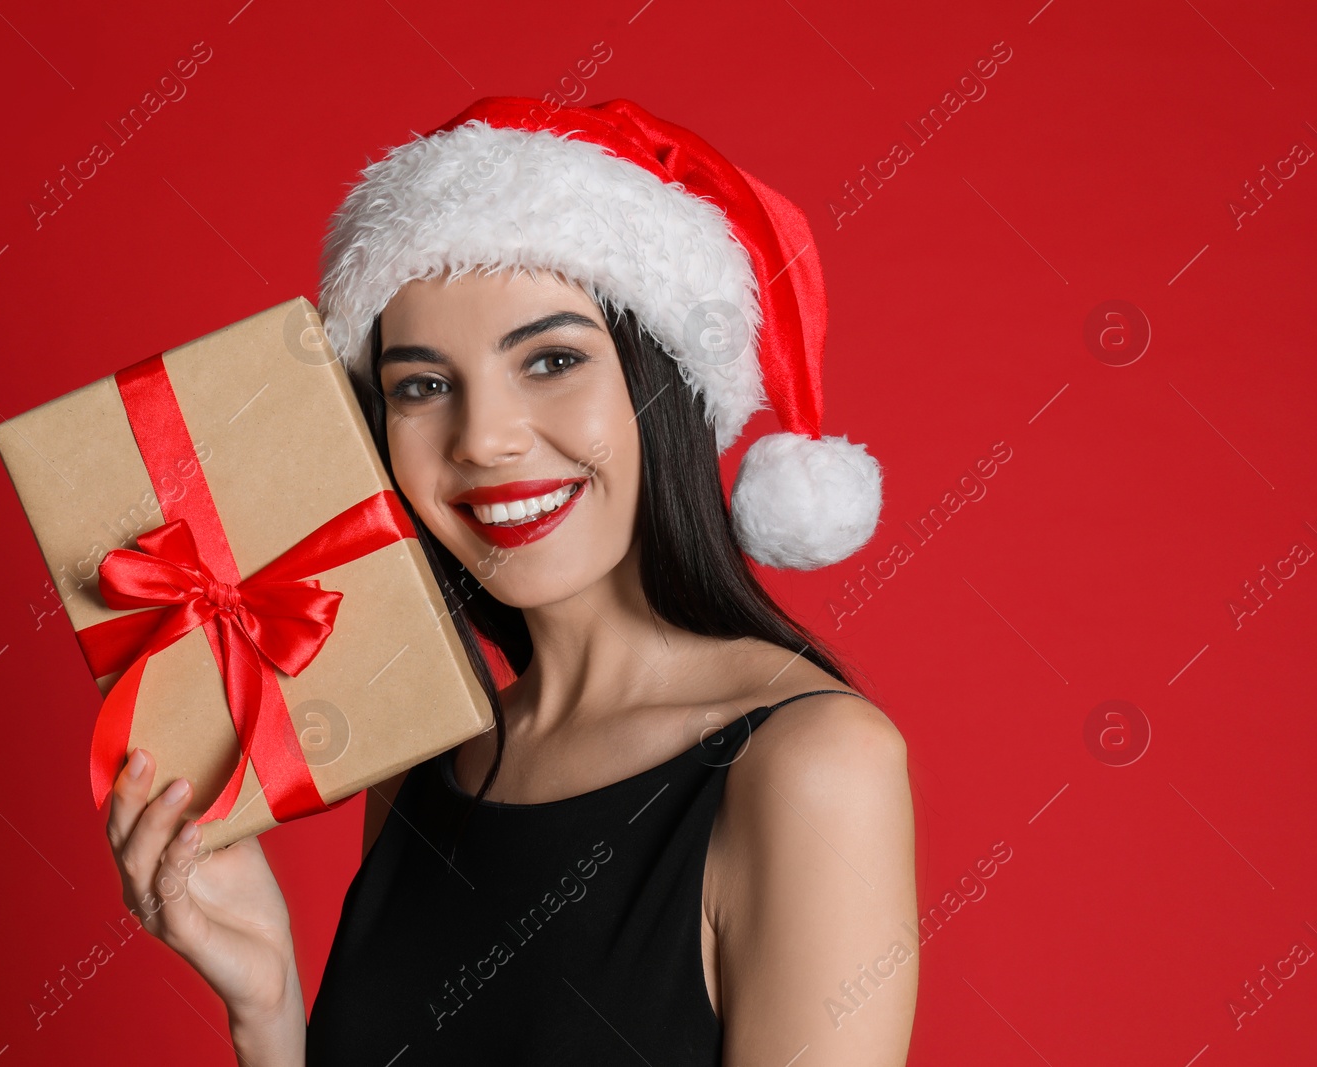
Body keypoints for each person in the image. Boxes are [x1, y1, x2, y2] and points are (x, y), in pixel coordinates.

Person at [106, 97, 918, 1065]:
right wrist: (268, 1005)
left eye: (551, 359)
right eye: (421, 384)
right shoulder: (427, 755)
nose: (483, 437)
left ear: (658, 383)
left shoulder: (811, 764)